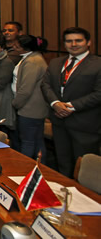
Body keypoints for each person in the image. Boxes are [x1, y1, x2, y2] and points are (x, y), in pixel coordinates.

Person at [41, 27, 101, 178]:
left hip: (85, 125)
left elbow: (99, 93)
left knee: (85, 169)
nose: (73, 44)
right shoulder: (55, 62)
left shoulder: (98, 64)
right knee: (63, 162)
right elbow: (45, 85)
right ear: (64, 44)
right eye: (69, 41)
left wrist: (71, 107)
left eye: (78, 40)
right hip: (59, 121)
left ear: (88, 43)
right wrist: (55, 103)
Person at [12, 35, 49, 160]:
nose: (13, 47)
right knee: (37, 140)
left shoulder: (32, 62)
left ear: (25, 48)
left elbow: (26, 90)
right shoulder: (30, 58)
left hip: (30, 109)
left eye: (17, 46)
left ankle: (26, 170)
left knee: (28, 142)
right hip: (32, 108)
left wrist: (15, 104)